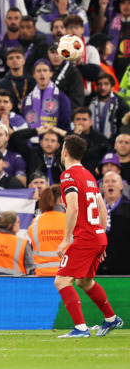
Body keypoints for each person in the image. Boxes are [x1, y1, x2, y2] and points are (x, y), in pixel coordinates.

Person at [54, 134, 123, 337]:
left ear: (65, 152)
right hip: (97, 236)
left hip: (86, 237)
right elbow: (102, 209)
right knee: (83, 281)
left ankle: (80, 328)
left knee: (61, 281)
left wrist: (67, 239)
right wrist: (100, 239)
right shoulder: (89, 176)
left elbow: (73, 208)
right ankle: (111, 319)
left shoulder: (68, 176)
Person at [21, 60, 71, 133]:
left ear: (51, 74)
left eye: (45, 70)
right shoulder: (28, 99)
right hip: (32, 141)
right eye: (38, 71)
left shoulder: (61, 98)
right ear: (34, 75)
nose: (42, 73)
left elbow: (65, 124)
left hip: (53, 141)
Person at [28, 186, 65, 276]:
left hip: (41, 275)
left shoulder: (35, 221)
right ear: (60, 199)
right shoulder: (70, 220)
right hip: (66, 275)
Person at [99, 171, 130, 275]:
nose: (110, 184)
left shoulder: (128, 207)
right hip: (98, 263)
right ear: (103, 186)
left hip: (123, 264)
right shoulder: (93, 206)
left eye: (114, 181)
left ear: (121, 185)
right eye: (106, 181)